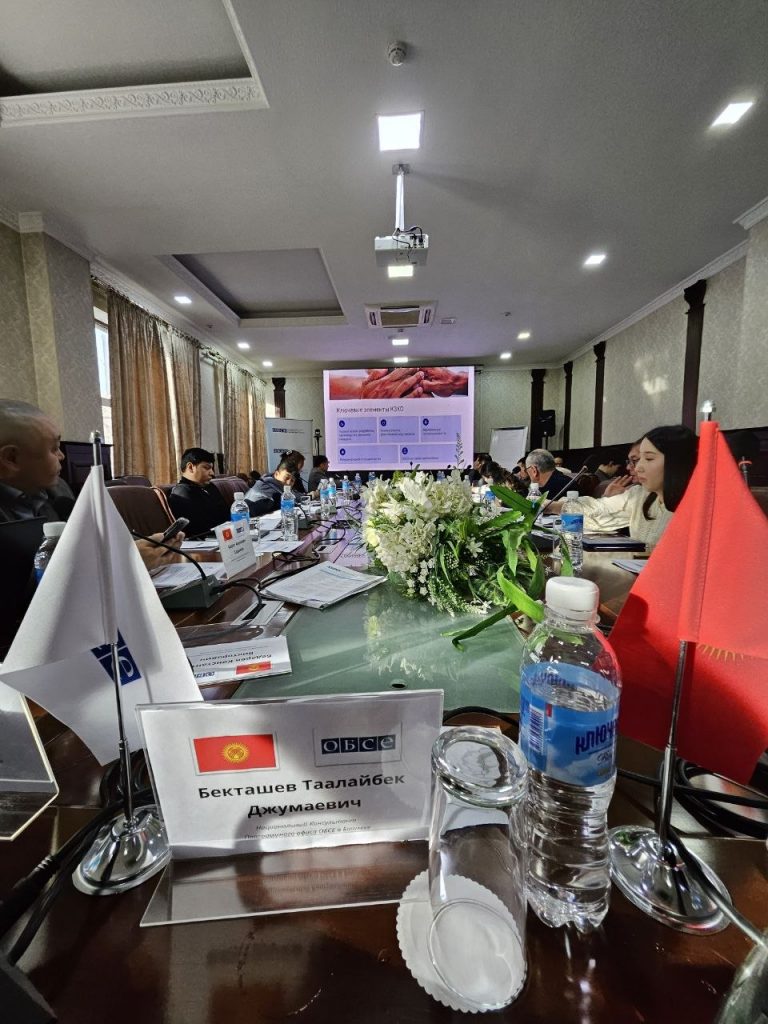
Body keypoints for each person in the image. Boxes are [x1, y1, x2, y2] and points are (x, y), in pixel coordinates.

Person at [0, 399, 183, 570]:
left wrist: (143, 547)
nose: (62, 456)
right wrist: (123, 563)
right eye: (54, 449)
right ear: (11, 458)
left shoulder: (58, 490)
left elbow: (91, 542)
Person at [550, 425, 697, 547]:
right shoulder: (640, 494)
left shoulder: (695, 509)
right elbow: (601, 508)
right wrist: (551, 506)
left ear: (677, 462)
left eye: (648, 458)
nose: (638, 468)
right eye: (638, 460)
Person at [169, 447, 230, 538]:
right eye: (206, 468)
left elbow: (226, 515)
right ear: (190, 467)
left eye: (212, 468)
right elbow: (199, 530)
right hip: (206, 542)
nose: (212, 473)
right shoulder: (181, 493)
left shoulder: (210, 487)